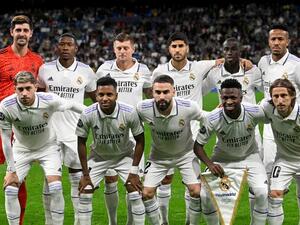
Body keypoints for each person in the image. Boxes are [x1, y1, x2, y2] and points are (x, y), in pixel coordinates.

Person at [151, 31, 252, 225]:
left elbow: (224, 60)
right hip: (167, 133)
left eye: (181, 46)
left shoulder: (198, 67)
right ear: (169, 49)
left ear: (187, 48)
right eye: (174, 46)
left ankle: (191, 222)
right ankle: (164, 221)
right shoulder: (159, 71)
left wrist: (245, 61)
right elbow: (153, 96)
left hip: (193, 133)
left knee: (194, 185)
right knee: (165, 180)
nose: (178, 50)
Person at [0, 71, 86, 225]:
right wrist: (11, 171)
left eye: (28, 88)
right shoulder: (6, 106)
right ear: (15, 89)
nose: (24, 93)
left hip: (48, 148)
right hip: (21, 149)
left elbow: (72, 105)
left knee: (55, 187)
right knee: (10, 189)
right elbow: (6, 139)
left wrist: (96, 113)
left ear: (36, 87)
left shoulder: (50, 100)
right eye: (20, 89)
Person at [37, 32, 96, 225]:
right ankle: (50, 221)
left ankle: (80, 221)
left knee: (76, 178)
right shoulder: (45, 69)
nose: (64, 47)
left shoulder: (86, 71)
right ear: (57, 47)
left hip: (75, 133)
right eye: (61, 44)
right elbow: (38, 100)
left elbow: (95, 100)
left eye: (69, 44)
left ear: (76, 48)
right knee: (50, 180)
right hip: (50, 135)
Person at [202, 37, 263, 221]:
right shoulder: (214, 73)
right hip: (226, 133)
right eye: (226, 49)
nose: (229, 52)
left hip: (251, 133)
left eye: (233, 49)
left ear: (240, 51)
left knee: (257, 187)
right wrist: (209, 113)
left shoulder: (252, 71)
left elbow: (268, 90)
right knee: (211, 190)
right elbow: (199, 92)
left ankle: (255, 219)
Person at [194, 78, 268, 225]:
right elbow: (197, 146)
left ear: (241, 97)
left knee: (262, 193)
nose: (228, 101)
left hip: (250, 157)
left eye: (233, 97)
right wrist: (210, 164)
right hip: (222, 159)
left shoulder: (254, 111)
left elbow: (274, 119)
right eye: (225, 97)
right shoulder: (213, 117)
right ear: (221, 97)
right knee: (205, 196)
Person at [96, 32, 151, 225]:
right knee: (110, 180)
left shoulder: (143, 70)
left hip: (134, 133)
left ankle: (129, 222)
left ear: (133, 49)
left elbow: (150, 93)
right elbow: (98, 96)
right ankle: (112, 222)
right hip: (107, 133)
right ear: (113, 49)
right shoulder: (104, 69)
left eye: (126, 48)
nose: (122, 52)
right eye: (118, 48)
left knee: (133, 181)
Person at [75, 76, 145, 225]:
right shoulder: (88, 113)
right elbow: (81, 142)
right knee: (85, 192)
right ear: (96, 96)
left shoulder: (129, 112)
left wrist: (133, 171)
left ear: (116, 96)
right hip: (98, 157)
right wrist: (85, 174)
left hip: (124, 156)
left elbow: (140, 140)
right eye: (101, 95)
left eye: (109, 94)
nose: (104, 98)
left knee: (136, 193)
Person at [137, 75, 205, 225]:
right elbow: (128, 120)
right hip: (158, 157)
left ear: (173, 91)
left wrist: (220, 114)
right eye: (158, 92)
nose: (162, 96)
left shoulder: (188, 107)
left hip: (186, 154)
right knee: (146, 193)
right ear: (152, 92)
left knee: (196, 191)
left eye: (166, 92)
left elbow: (205, 118)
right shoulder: (143, 108)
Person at [0, 14, 43, 225]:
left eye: (25, 30)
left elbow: (42, 94)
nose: (22, 34)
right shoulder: (0, 57)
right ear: (11, 33)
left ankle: (18, 222)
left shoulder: (37, 61)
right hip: (0, 123)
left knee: (18, 175)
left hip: (21, 128)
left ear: (31, 33)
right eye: (18, 30)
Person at [258, 24, 300, 220]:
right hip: (271, 124)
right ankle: (273, 204)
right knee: (268, 168)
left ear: (288, 41)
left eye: (280, 39)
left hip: (294, 124)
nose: (276, 43)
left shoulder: (296, 64)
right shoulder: (263, 62)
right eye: (273, 39)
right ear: (268, 42)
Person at [260, 78, 300, 225]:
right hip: (284, 160)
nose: (280, 100)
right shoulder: (267, 107)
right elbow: (249, 113)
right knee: (274, 194)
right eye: (276, 97)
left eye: (284, 96)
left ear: (292, 96)